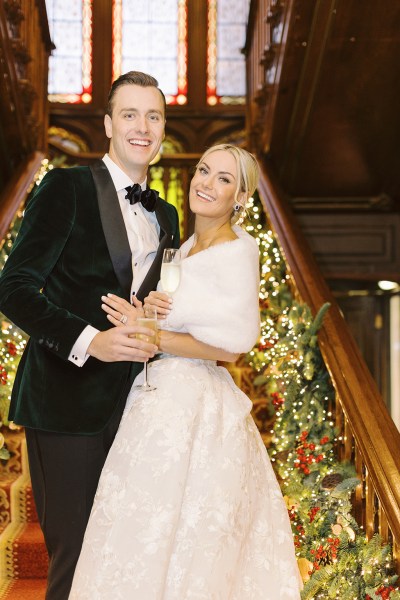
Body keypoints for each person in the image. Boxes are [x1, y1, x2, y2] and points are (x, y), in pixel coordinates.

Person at [69, 144, 302, 599]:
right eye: (203, 170)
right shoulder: (185, 246)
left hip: (196, 403)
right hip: (158, 394)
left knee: (191, 533)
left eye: (223, 179)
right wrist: (149, 313)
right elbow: (181, 316)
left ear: (240, 197)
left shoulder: (239, 251)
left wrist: (155, 337)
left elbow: (232, 347)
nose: (206, 183)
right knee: (142, 525)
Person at [0, 71, 180, 599]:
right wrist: (90, 341)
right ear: (107, 124)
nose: (142, 127)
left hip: (138, 407)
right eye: (130, 114)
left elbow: (147, 296)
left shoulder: (166, 214)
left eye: (153, 116)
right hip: (66, 402)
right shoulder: (67, 187)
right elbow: (13, 288)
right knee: (76, 560)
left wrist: (155, 316)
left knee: (123, 558)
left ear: (164, 128)